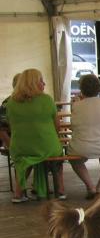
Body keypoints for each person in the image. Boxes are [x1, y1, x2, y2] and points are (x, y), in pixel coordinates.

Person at [6, 69, 65, 202]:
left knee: (25, 160)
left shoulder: (11, 103)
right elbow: (57, 126)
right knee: (57, 159)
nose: (44, 83)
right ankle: (60, 190)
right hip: (47, 147)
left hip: (20, 148)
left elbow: (11, 126)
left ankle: (18, 193)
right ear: (33, 83)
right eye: (41, 80)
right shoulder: (47, 100)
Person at [67, 74, 100, 198]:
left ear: (81, 89)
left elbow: (73, 126)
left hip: (82, 147)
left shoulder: (76, 105)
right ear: (98, 88)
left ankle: (90, 186)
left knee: (74, 159)